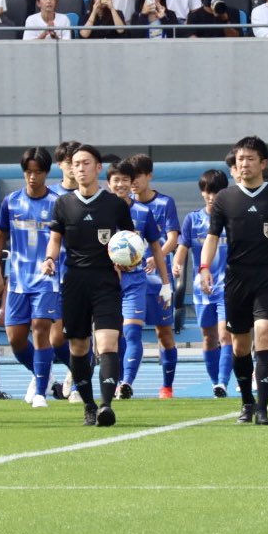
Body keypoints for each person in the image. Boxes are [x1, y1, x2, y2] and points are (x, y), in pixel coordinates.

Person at [41, 144, 157, 426]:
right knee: (79, 347)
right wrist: (49, 259)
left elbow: (129, 241)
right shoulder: (63, 204)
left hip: (106, 280)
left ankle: (106, 405)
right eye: (75, 164)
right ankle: (89, 406)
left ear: (98, 168)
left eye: (85, 163)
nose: (79, 168)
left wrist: (129, 261)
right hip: (75, 280)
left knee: (107, 343)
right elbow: (55, 239)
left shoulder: (114, 204)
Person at [198, 136, 268, 424]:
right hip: (236, 278)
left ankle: (263, 408)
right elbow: (212, 238)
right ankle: (247, 402)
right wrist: (204, 267)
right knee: (240, 346)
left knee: (265, 334)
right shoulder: (225, 199)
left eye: (250, 158)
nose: (244, 163)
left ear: (263, 163)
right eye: (240, 159)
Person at [105, 161, 172, 399]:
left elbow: (156, 247)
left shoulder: (143, 213)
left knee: (132, 332)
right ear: (108, 182)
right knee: (112, 337)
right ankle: (114, 380)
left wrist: (165, 284)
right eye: (116, 180)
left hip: (135, 281)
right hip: (107, 282)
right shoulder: (100, 210)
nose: (121, 184)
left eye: (126, 180)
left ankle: (126, 383)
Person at [121, 154, 179, 398]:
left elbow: (173, 237)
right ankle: (125, 381)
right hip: (131, 279)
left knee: (164, 333)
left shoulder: (164, 203)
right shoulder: (122, 206)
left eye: (138, 177)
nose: (133, 183)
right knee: (127, 331)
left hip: (158, 279)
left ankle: (166, 386)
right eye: (129, 178)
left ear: (149, 176)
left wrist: (157, 257)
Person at [173, 168, 233, 397]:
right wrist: (177, 264)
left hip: (228, 286)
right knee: (208, 337)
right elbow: (183, 246)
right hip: (202, 289)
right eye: (207, 192)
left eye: (216, 192)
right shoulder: (193, 219)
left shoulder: (231, 219)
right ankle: (215, 382)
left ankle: (223, 381)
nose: (211, 197)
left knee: (225, 334)